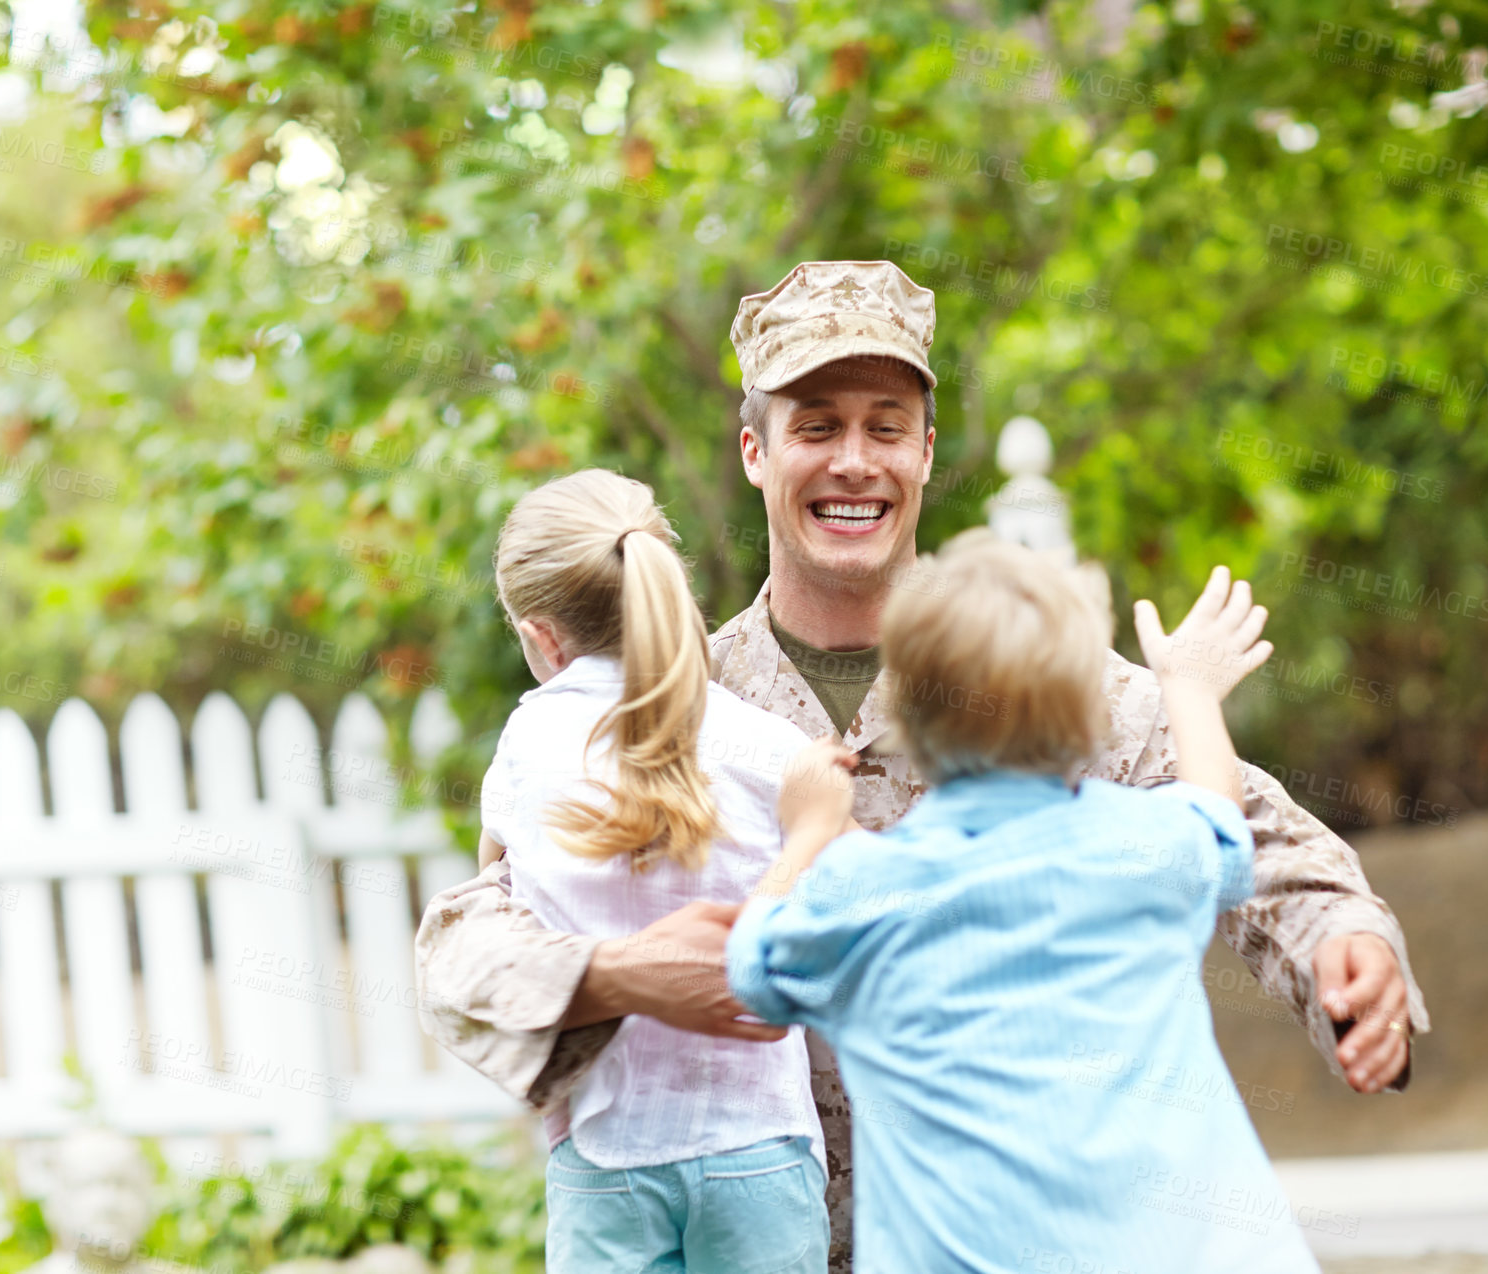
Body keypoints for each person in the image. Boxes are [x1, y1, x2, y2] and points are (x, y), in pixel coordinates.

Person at [416, 261, 1430, 1273]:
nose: (855, 461)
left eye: (885, 425)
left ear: (926, 450)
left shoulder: (1033, 676)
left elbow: (1240, 822)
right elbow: (465, 946)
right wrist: (616, 972)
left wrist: (1341, 933)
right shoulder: (666, 698)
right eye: (816, 425)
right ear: (754, 451)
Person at [727, 540, 1322, 1273]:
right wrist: (1189, 690)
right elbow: (1221, 823)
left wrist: (811, 833)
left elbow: (752, 971)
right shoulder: (1147, 849)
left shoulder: (862, 895)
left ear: (905, 722)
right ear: (1086, 724)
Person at [477, 468, 830, 1273]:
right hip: (761, 1149)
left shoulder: (527, 747)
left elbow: (492, 919)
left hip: (606, 1153)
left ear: (542, 637)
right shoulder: (763, 740)